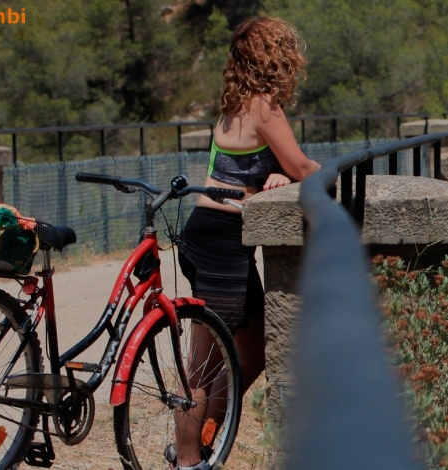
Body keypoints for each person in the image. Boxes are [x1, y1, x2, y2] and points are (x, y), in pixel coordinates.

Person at [169, 16, 321, 470]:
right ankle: (187, 461)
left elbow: (248, 176)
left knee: (250, 352)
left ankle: (205, 443)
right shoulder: (265, 106)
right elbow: (303, 170)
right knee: (201, 366)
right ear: (277, 57)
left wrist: (271, 178)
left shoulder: (234, 104)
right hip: (221, 242)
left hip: (208, 233)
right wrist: (307, 171)